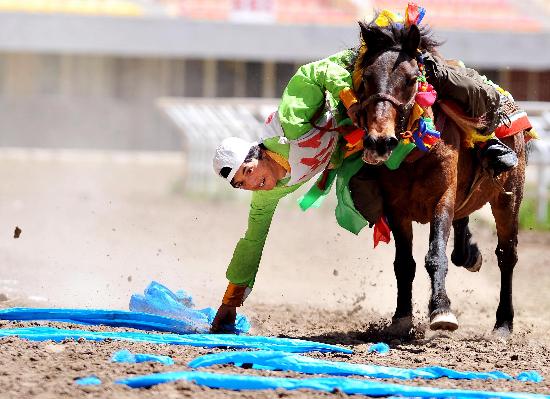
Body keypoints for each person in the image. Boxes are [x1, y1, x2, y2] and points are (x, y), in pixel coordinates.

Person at [209, 12, 519, 333]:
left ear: (256, 151)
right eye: (243, 186)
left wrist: (350, 100)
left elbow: (314, 72)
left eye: (248, 172)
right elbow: (252, 241)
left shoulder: (291, 118)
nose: (255, 185)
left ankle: (488, 143)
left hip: (363, 69)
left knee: (453, 80)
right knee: (369, 194)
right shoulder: (270, 192)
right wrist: (230, 302)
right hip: (357, 138)